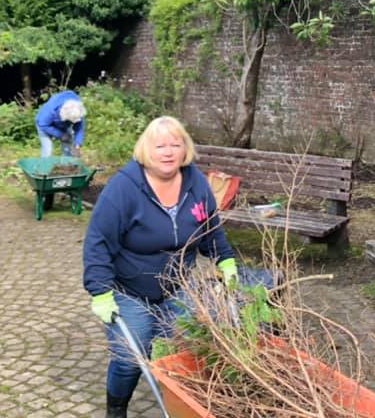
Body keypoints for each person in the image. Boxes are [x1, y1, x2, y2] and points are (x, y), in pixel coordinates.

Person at [83, 116, 250, 418]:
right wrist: (100, 292)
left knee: (191, 344)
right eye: (160, 145)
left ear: (185, 149)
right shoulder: (123, 188)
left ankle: (187, 405)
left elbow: (210, 228)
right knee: (130, 356)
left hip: (178, 286)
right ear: (146, 149)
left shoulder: (195, 182)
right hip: (130, 289)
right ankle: (116, 411)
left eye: (176, 144)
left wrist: (225, 260)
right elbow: (98, 242)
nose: (168, 152)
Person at [35, 90, 86, 158]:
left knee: (68, 147)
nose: (73, 123)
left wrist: (77, 145)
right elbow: (43, 124)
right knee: (48, 149)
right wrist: (61, 135)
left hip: (63, 124)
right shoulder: (49, 111)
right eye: (71, 121)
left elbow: (79, 129)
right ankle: (44, 166)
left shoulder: (78, 110)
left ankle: (68, 165)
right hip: (44, 126)